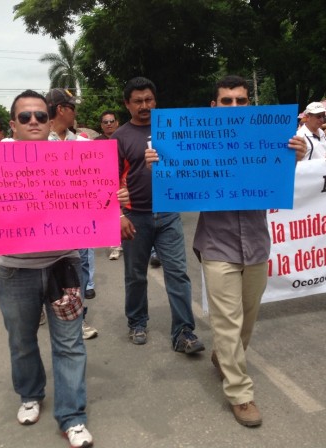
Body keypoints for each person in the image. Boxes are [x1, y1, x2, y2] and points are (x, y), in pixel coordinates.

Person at [0, 89, 129, 447]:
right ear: (13, 124)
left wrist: (117, 199)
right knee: (21, 340)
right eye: (24, 116)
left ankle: (73, 416)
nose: (33, 121)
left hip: (63, 266)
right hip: (14, 271)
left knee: (70, 343)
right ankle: (30, 394)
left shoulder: (75, 155)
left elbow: (105, 190)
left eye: (40, 116)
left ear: (50, 121)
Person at [146, 75, 306, 427]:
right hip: (217, 245)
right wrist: (158, 163)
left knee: (248, 316)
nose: (234, 106)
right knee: (227, 320)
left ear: (249, 103)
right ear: (213, 106)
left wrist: (297, 155)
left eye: (241, 100)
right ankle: (240, 392)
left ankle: (224, 357)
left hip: (256, 244)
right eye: (227, 100)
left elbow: (280, 178)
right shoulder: (196, 142)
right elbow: (175, 179)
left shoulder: (271, 139)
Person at [114, 76, 204, 353]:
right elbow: (109, 180)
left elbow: (192, 164)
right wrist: (119, 215)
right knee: (135, 275)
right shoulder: (119, 137)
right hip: (135, 217)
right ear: (127, 104)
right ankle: (137, 322)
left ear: (156, 100)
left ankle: (184, 332)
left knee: (178, 274)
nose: (144, 105)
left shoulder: (172, 130)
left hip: (168, 215)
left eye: (149, 99)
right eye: (138, 101)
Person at [45, 88, 98, 340]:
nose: (76, 113)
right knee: (47, 268)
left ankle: (78, 318)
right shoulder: (35, 144)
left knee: (79, 268)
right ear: (61, 110)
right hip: (45, 222)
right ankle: (47, 310)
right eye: (73, 107)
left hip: (79, 222)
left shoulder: (85, 146)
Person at [95, 111, 124, 261]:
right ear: (101, 125)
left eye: (111, 121)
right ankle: (115, 246)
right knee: (111, 213)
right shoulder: (96, 142)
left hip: (125, 181)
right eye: (105, 122)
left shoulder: (124, 138)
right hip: (105, 184)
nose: (109, 124)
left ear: (117, 122)